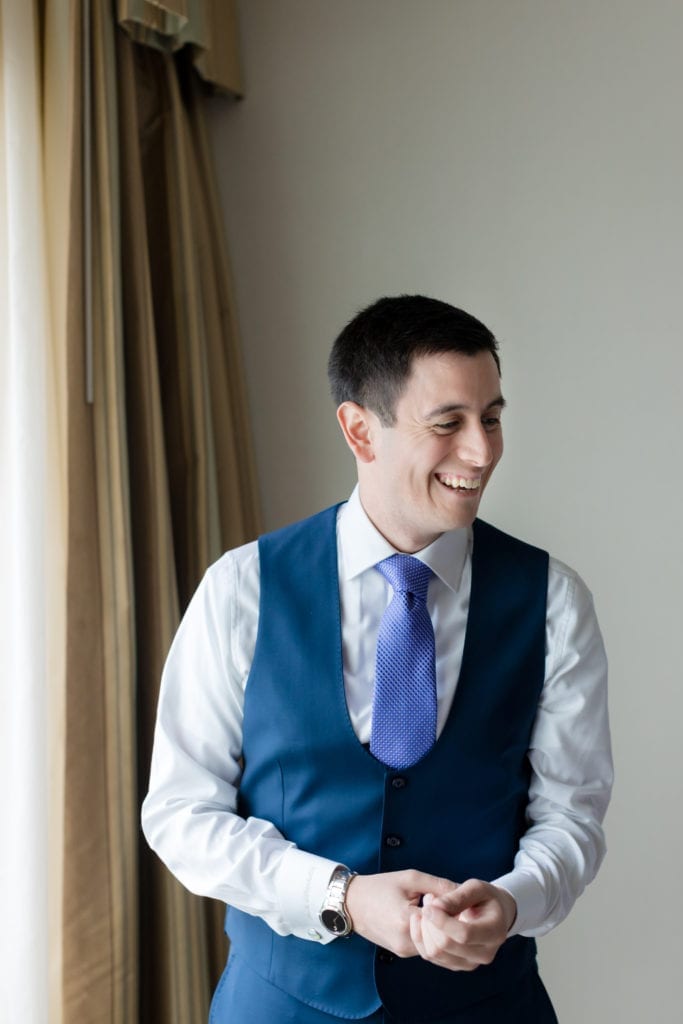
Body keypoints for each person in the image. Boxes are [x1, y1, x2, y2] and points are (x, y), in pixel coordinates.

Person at [142, 295, 613, 1023]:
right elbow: (180, 812)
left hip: (488, 1007)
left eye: (490, 417)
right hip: (280, 1005)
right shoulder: (242, 589)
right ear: (359, 429)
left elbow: (571, 815)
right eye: (446, 423)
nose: (481, 451)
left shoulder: (552, 599)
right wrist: (340, 896)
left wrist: (513, 901)